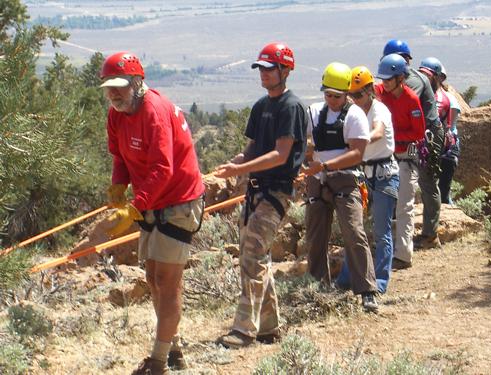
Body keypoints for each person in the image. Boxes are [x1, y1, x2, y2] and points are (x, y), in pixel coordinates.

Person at [100, 52, 205, 375]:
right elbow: (120, 157)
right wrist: (119, 186)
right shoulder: (117, 115)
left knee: (166, 280)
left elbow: (163, 169)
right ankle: (173, 348)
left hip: (178, 202)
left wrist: (134, 207)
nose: (114, 94)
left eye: (120, 87)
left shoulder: (155, 112)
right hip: (152, 202)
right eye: (109, 88)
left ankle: (158, 362)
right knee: (152, 278)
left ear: (137, 82)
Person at [214, 42, 308, 348]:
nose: (263, 74)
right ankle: (269, 327)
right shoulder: (261, 106)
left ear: (285, 71)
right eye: (261, 69)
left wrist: (242, 170)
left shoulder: (291, 107)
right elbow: (252, 149)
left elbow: (280, 155)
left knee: (252, 256)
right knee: (255, 256)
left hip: (276, 192)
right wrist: (236, 163)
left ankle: (244, 330)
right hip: (257, 193)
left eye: (269, 69)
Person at [303, 62, 378, 312]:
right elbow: (305, 145)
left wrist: (324, 167)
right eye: (328, 95)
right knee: (315, 236)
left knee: (354, 233)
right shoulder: (314, 112)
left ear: (346, 93)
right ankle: (317, 287)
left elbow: (357, 153)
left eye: (337, 96)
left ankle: (367, 290)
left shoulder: (355, 115)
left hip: (345, 180)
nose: (332, 100)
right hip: (317, 181)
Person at [335, 66, 399, 294]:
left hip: (383, 175)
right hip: (364, 174)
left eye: (359, 94)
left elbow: (378, 132)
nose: (356, 99)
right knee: (355, 230)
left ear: (370, 90)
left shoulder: (379, 109)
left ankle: (379, 283)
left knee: (381, 232)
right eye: (352, 95)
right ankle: (346, 278)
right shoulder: (352, 112)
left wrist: (357, 141)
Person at [382, 39, 444, 250]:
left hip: (427, 135)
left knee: (427, 181)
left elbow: (402, 105)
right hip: (408, 135)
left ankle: (430, 235)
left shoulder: (412, 81)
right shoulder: (397, 80)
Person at [374, 54, 425, 270]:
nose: (384, 83)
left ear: (400, 78)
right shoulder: (382, 95)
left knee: (404, 206)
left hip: (405, 159)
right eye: (383, 79)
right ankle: (382, 250)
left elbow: (419, 132)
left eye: (388, 79)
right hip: (387, 158)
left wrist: (394, 134)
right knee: (382, 207)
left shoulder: (411, 99)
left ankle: (403, 255)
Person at [438, 65, 461, 204]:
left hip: (447, 147)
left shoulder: (449, 99)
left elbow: (450, 127)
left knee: (443, 191)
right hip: (443, 146)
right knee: (440, 188)